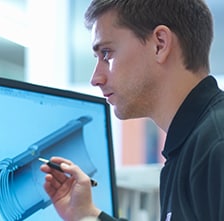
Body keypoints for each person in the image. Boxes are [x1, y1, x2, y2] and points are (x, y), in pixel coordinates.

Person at [40, 0, 222, 220]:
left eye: (107, 54)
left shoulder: (215, 146)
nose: (96, 78)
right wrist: (87, 214)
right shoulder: (190, 146)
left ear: (160, 44)